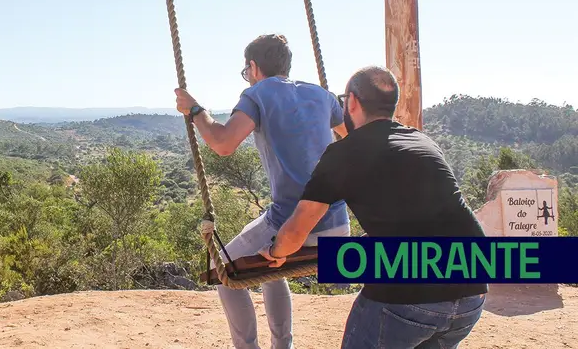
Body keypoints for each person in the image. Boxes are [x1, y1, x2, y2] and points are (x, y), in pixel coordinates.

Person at [260, 66, 487, 349]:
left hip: (409, 297)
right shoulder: (422, 141)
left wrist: (275, 252)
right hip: (473, 290)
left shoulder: (343, 153)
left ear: (351, 102)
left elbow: (297, 229)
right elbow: (424, 217)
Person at [174, 34, 351, 349]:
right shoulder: (321, 95)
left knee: (223, 271)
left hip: (293, 223)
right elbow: (353, 137)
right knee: (271, 262)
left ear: (253, 67)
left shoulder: (257, 94)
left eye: (246, 70)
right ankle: (283, 345)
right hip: (338, 225)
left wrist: (196, 111)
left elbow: (223, 143)